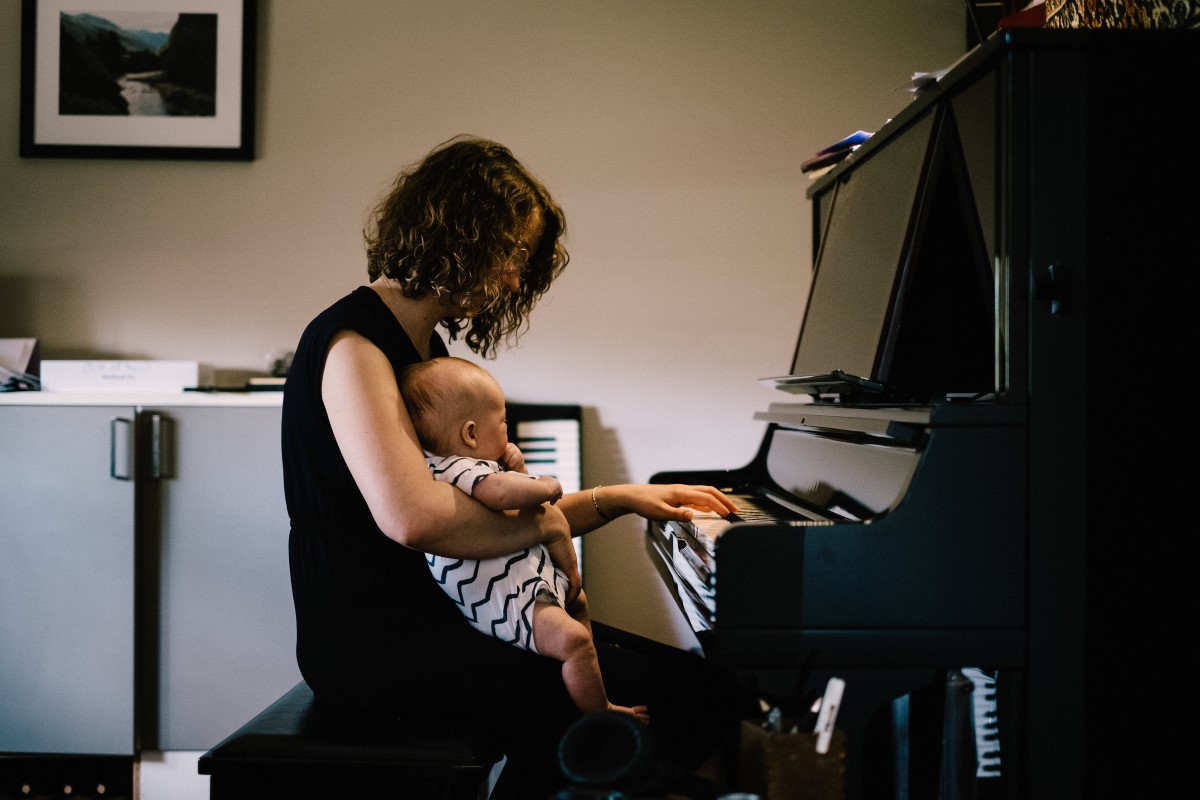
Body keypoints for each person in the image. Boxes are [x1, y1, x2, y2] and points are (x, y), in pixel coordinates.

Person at [281, 134, 756, 798]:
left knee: (702, 684)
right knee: (677, 699)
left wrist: (625, 498)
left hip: (443, 614)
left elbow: (483, 510)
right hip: (377, 641)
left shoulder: (421, 346)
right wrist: (551, 529)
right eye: (509, 254)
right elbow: (416, 519)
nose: (511, 280)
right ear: (457, 228)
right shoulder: (354, 344)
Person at [401, 355, 650, 723]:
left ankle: (589, 667)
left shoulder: (470, 465)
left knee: (578, 605)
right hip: (506, 601)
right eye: (502, 422)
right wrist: (542, 483)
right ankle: (602, 713)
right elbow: (503, 495)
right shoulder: (452, 469)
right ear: (470, 434)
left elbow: (514, 506)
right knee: (575, 642)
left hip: (524, 580)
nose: (507, 431)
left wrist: (516, 469)